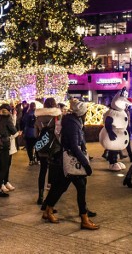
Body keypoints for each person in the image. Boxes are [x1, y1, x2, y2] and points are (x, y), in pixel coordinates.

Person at [41, 99, 99, 230]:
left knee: (60, 186)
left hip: (66, 159)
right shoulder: (72, 123)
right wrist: (86, 164)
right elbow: (74, 145)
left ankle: (48, 211)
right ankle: (84, 218)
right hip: (71, 160)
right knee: (81, 186)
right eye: (86, 112)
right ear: (81, 113)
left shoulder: (73, 120)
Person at [34, 97, 62, 205]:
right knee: (53, 170)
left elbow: (36, 135)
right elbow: (59, 132)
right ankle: (50, 196)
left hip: (42, 147)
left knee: (42, 170)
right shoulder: (57, 117)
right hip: (54, 147)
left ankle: (40, 196)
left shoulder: (38, 118)